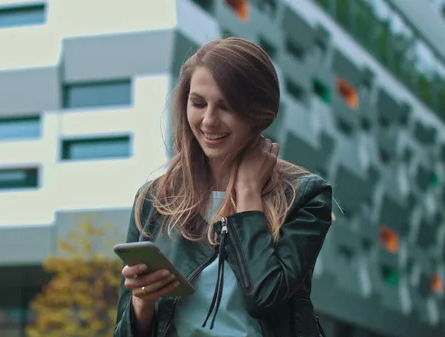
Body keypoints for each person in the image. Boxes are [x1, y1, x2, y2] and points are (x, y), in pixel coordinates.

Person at [113, 37, 333, 337]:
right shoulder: (155, 199)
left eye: (226, 107)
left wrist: (248, 195)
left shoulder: (304, 197)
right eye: (198, 103)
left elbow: (267, 298)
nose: (209, 121)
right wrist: (142, 303)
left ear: (259, 113)